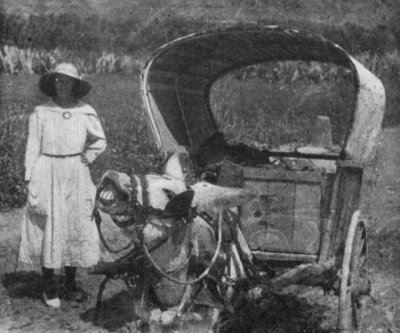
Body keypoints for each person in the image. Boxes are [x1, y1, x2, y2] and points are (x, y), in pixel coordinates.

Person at [17, 63, 107, 308]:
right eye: (58, 80)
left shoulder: (85, 111)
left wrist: (90, 155)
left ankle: (70, 283)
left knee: (75, 224)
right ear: (53, 83)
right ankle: (49, 287)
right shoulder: (41, 112)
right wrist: (30, 177)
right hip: (48, 171)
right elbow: (33, 146)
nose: (62, 85)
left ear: (76, 84)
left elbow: (100, 140)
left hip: (76, 172)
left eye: (67, 81)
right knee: (50, 226)